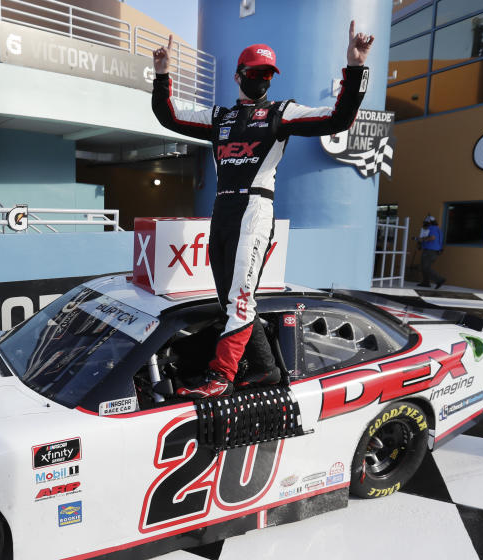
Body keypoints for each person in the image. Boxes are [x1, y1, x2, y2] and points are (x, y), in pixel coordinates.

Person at [151, 23, 374, 398]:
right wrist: (162, 75)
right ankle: (266, 370)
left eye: (267, 75)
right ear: (239, 75)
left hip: (255, 209)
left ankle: (221, 376)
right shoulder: (219, 118)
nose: (262, 80)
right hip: (222, 206)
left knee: (240, 299)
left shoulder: (282, 113)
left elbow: (338, 119)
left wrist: (355, 69)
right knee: (230, 301)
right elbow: (169, 116)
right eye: (255, 73)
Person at [417, 214, 445, 289]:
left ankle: (440, 279)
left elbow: (432, 237)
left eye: (426, 222)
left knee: (425, 267)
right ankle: (426, 282)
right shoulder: (438, 229)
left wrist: (421, 239)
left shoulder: (431, 228)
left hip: (430, 250)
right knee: (425, 267)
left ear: (429, 222)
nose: (424, 224)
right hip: (436, 251)